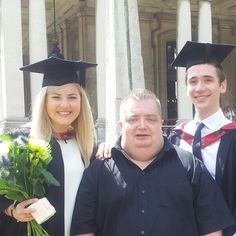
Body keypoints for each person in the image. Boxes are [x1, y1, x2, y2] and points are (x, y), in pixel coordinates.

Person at [71, 88, 235, 236]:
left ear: (160, 123)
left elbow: (212, 228)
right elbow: (84, 230)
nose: (142, 126)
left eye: (150, 119)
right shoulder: (98, 172)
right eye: (133, 119)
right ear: (121, 125)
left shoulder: (191, 167)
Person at [0, 56, 96, 236]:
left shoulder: (88, 147)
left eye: (72, 97)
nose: (65, 104)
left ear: (81, 102)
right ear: (45, 102)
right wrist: (11, 209)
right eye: (56, 97)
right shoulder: (20, 142)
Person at [170, 41, 236, 236]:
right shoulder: (175, 139)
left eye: (208, 80)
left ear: (222, 85)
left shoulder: (232, 135)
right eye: (193, 81)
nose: (199, 88)